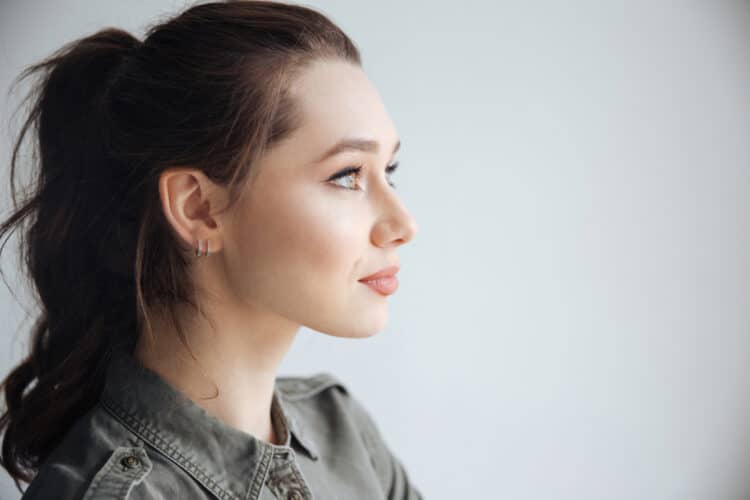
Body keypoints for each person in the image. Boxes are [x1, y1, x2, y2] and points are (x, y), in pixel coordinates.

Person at [0, 1, 422, 498]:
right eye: (347, 175)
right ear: (198, 207)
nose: (403, 225)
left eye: (388, 172)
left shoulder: (344, 433)